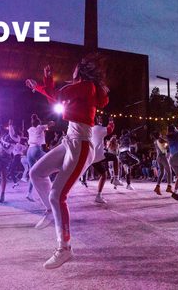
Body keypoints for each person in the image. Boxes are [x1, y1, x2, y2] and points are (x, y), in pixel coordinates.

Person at [26, 54, 109, 269]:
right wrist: (43, 83)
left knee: (57, 195)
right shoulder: (83, 88)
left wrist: (45, 82)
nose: (71, 73)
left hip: (81, 145)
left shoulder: (87, 86)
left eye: (74, 69)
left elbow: (56, 95)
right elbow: (55, 97)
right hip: (70, 141)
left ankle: (64, 248)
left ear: (80, 71)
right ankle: (49, 211)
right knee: (36, 173)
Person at [26, 114, 54, 202]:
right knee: (51, 158)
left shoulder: (30, 129)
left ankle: (29, 194)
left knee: (32, 173)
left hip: (29, 151)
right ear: (39, 123)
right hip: (36, 150)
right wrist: (45, 123)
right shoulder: (40, 127)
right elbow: (52, 123)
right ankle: (50, 183)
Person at [89, 115, 117, 204]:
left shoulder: (90, 129)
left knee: (104, 175)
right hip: (99, 155)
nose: (101, 120)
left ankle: (98, 195)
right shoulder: (99, 129)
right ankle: (116, 178)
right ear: (97, 121)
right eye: (99, 119)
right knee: (114, 157)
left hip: (91, 156)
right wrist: (111, 121)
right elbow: (110, 129)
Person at [152, 131, 172, 196]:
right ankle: (169, 186)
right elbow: (167, 144)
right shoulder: (160, 139)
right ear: (159, 135)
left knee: (162, 173)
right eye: (160, 134)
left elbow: (165, 146)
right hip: (163, 157)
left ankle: (157, 187)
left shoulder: (155, 142)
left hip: (158, 158)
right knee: (169, 171)